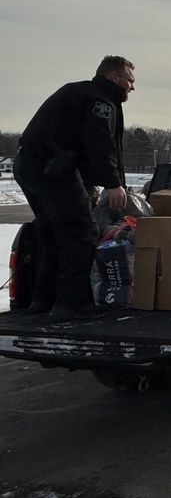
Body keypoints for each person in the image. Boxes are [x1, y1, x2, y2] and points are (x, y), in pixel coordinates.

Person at [13, 55, 135, 317]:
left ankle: (43, 300)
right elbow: (99, 144)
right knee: (82, 231)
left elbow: (73, 140)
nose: (132, 87)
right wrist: (113, 184)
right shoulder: (100, 101)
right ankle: (73, 303)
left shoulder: (78, 91)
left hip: (29, 164)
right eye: (130, 80)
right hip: (52, 167)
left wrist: (89, 183)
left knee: (52, 231)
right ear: (114, 77)